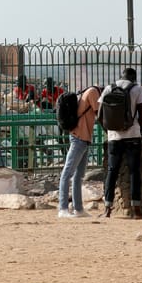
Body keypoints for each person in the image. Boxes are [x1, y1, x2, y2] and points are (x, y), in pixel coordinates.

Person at [100, 67, 142, 218]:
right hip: (132, 135)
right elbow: (141, 115)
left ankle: (107, 208)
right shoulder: (137, 89)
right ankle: (137, 209)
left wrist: (108, 131)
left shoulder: (109, 88)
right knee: (134, 171)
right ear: (133, 78)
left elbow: (100, 115)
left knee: (112, 171)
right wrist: (140, 130)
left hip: (114, 136)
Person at [57, 85, 101, 218]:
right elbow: (99, 113)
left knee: (78, 175)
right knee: (67, 173)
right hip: (79, 138)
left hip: (83, 138)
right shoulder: (93, 93)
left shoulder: (88, 92)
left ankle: (78, 208)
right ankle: (63, 208)